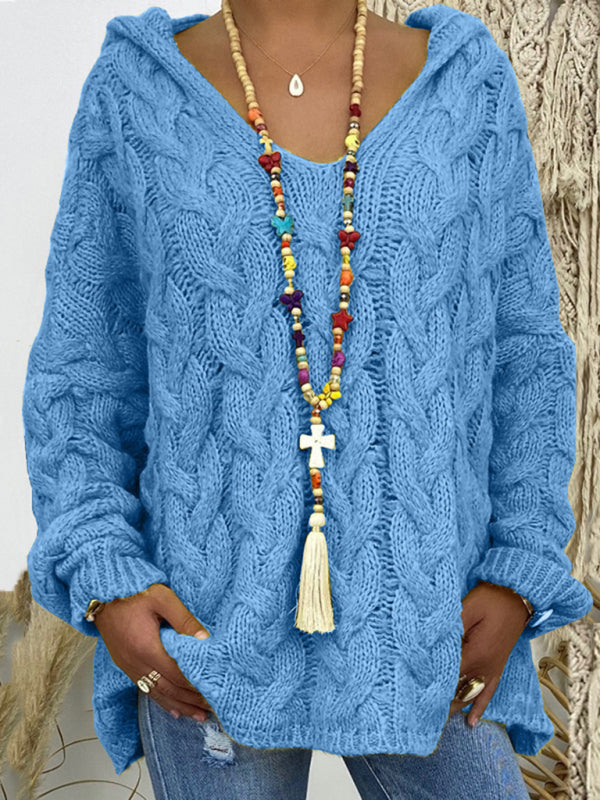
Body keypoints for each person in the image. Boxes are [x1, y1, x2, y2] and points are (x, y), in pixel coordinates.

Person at [21, 0, 592, 797]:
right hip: (205, 633)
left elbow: (525, 353)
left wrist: (519, 568)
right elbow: (82, 369)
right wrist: (106, 574)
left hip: (432, 623)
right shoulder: (136, 90)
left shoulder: (467, 84)